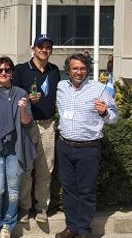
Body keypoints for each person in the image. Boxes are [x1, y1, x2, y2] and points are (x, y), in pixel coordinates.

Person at [55, 54, 118, 238]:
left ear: (88, 70)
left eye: (82, 68)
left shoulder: (99, 89)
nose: (79, 72)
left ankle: (83, 230)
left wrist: (105, 112)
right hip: (65, 146)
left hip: (88, 149)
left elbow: (114, 118)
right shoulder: (61, 87)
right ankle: (71, 227)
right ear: (68, 70)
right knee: (68, 190)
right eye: (75, 68)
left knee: (86, 191)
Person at [0, 57, 36, 238]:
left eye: (7, 70)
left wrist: (22, 109)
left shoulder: (21, 93)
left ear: (12, 73)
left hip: (16, 147)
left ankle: (8, 224)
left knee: (13, 189)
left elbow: (27, 122)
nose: (3, 73)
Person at [11, 33, 61, 223]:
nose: (44, 50)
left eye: (47, 47)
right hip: (27, 125)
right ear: (33, 49)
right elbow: (13, 96)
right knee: (26, 168)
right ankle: (24, 208)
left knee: (45, 168)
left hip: (48, 125)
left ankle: (42, 208)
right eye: (40, 46)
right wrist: (27, 98)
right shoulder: (21, 70)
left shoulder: (54, 70)